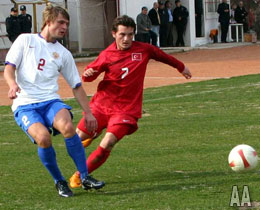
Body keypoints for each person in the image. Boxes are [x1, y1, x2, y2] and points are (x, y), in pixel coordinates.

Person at [69, 15, 192, 188]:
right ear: (114, 34)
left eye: (130, 34)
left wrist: (181, 67)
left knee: (108, 142)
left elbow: (162, 56)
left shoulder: (144, 50)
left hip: (126, 110)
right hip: (102, 106)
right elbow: (89, 76)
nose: (126, 39)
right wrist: (89, 74)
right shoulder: (106, 55)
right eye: (122, 35)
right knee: (75, 139)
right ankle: (92, 135)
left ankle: (81, 175)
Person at [3, 4, 104, 198]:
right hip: (25, 104)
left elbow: (76, 85)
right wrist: (12, 84)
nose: (65, 27)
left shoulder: (64, 53)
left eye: (67, 23)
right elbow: (9, 67)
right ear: (48, 22)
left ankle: (84, 176)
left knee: (67, 127)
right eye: (61, 22)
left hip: (50, 101)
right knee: (43, 138)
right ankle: (59, 181)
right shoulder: (25, 40)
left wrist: (89, 113)